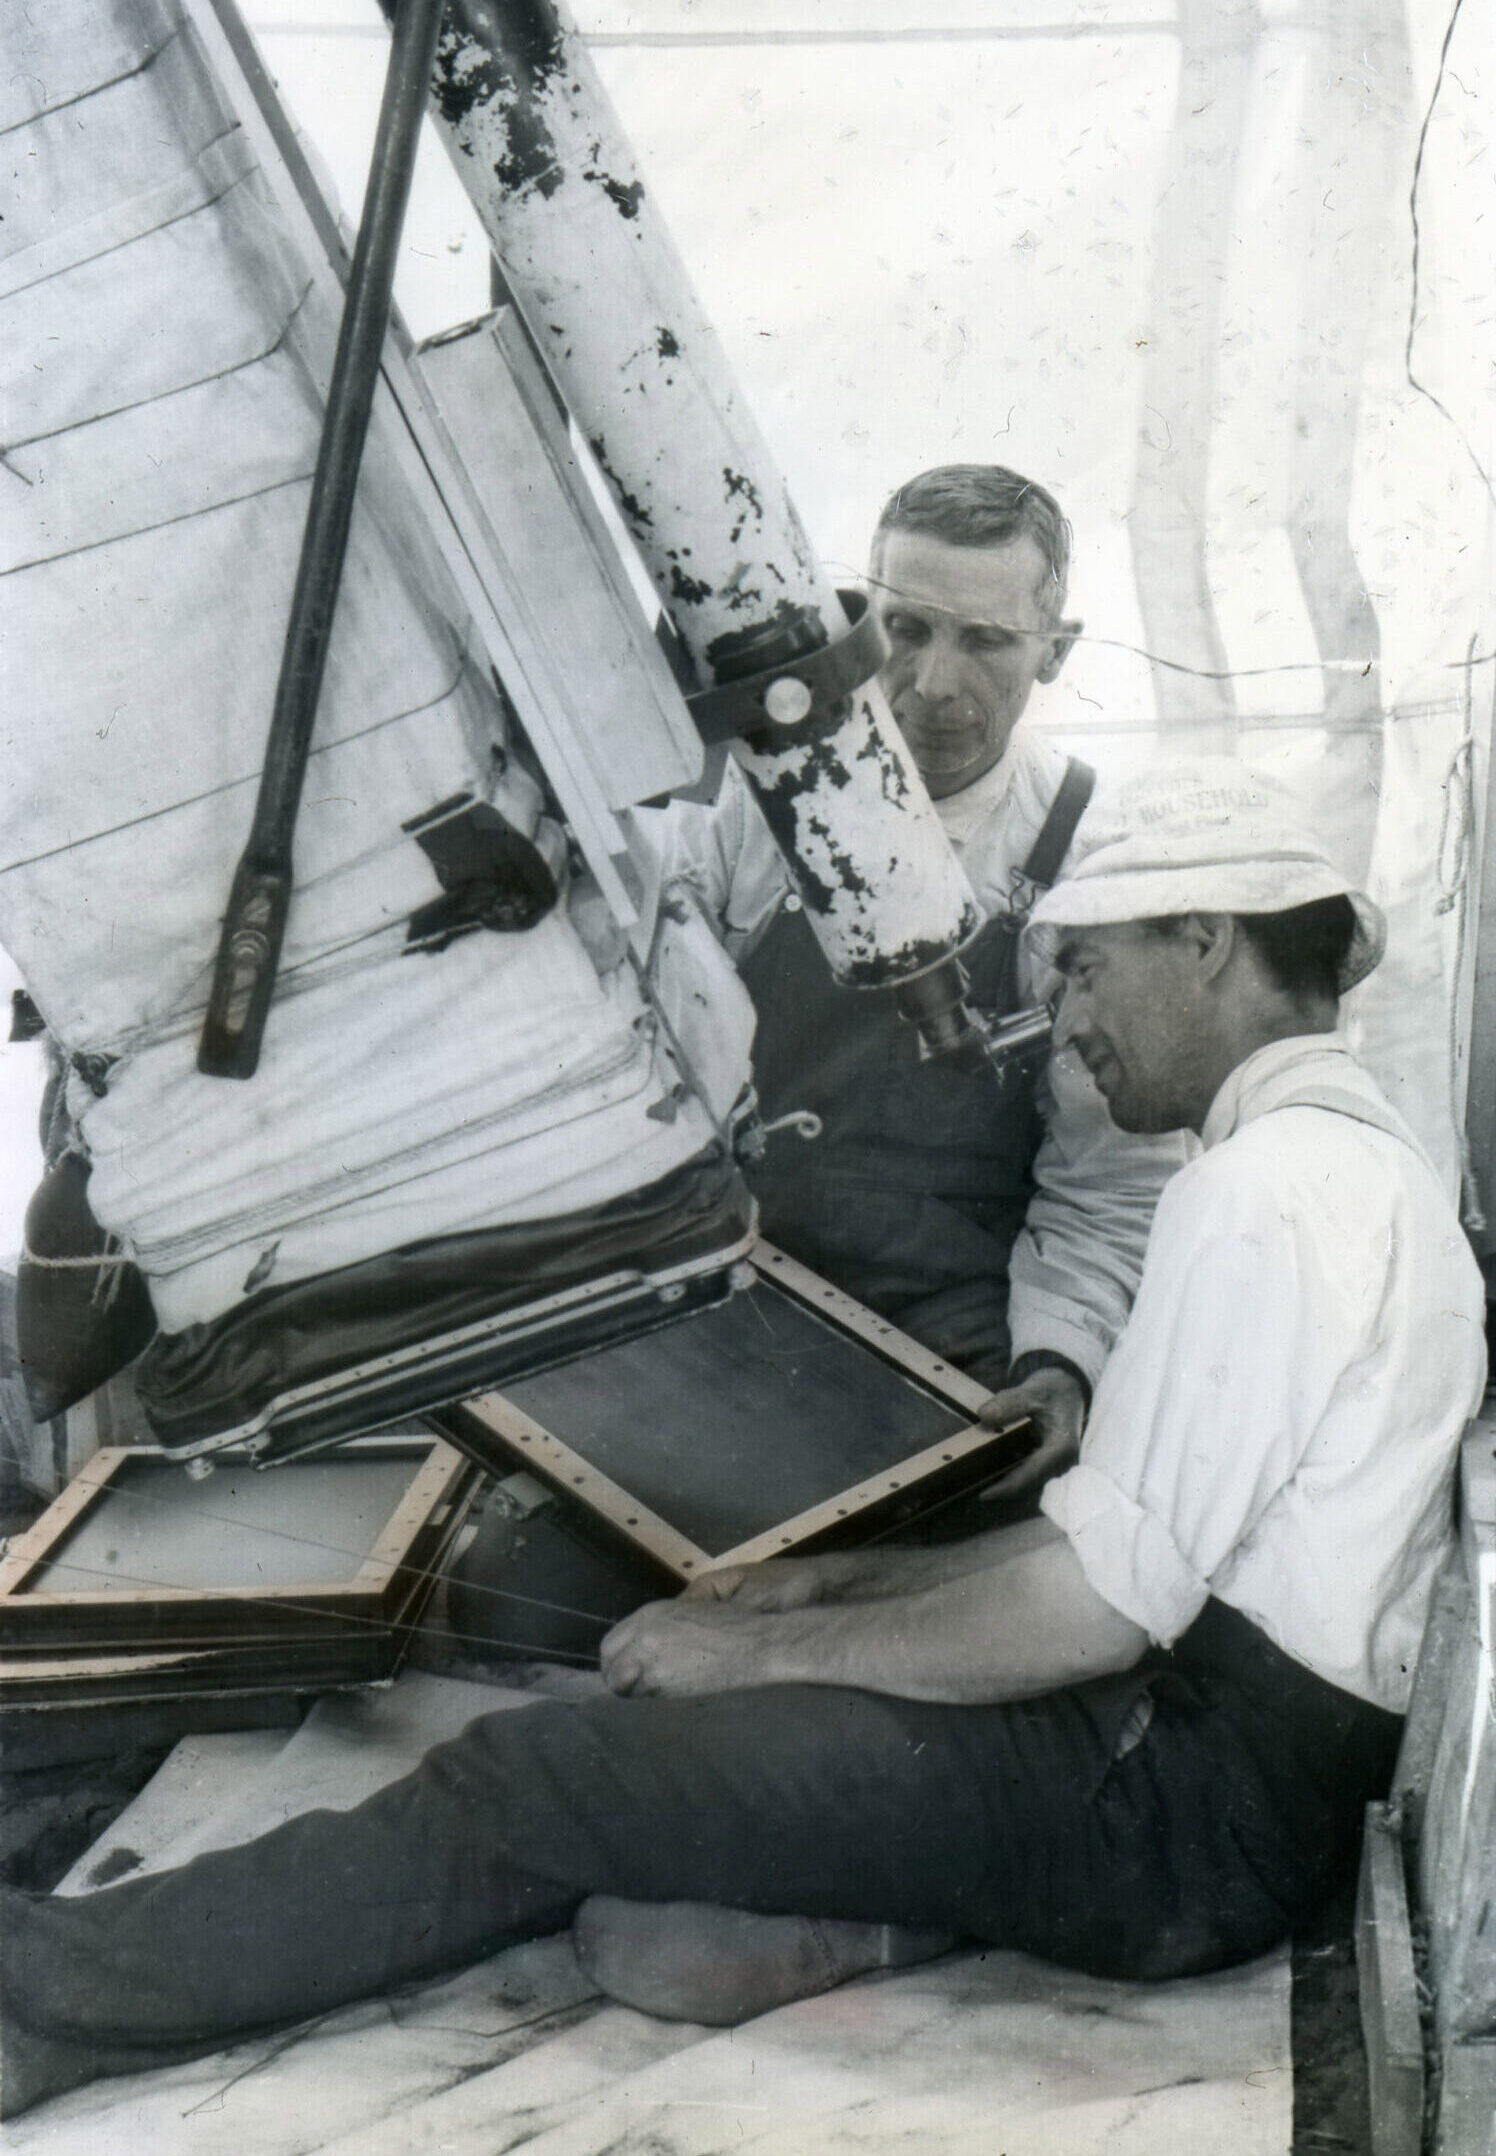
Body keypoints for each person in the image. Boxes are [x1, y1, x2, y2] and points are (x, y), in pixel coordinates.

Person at [2, 759, 1483, 2116]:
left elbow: (1099, 1613)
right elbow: (1126, 1547)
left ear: (1205, 940)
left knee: (539, 1781)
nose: (1075, 1024)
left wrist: (758, 1656)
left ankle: (44, 1998)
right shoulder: (1355, 1167)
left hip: (1166, 1817)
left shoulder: (1263, 1198)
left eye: (1087, 968)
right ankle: (850, 1906)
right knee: (651, 1859)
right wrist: (819, 1595)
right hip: (1211, 1785)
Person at [643, 464, 1189, 1484]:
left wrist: (1058, 1358)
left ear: (1055, 650)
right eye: (906, 630)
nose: (936, 684)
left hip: (952, 1304)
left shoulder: (1085, 854)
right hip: (726, 1272)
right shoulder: (745, 808)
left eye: (984, 641)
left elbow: (1106, 1182)